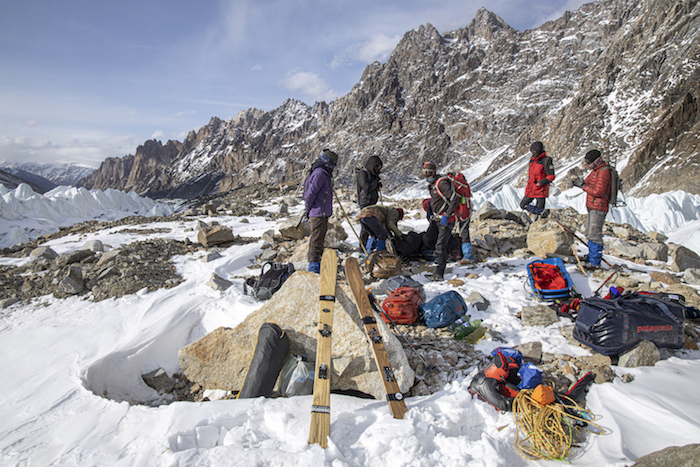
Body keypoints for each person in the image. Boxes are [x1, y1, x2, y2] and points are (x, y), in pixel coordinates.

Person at [571, 149, 612, 268]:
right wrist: (578, 183)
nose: (587, 165)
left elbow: (598, 191)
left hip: (599, 206)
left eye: (589, 162)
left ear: (595, 161)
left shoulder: (603, 172)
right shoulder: (596, 171)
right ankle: (591, 256)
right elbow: (587, 182)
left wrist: (583, 186)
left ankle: (594, 262)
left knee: (594, 233)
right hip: (593, 206)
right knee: (589, 231)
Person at [422, 161, 461, 281]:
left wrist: (447, 215)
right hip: (436, 218)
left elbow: (455, 199)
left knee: (440, 245)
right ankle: (441, 260)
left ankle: (439, 273)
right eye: (425, 173)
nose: (427, 176)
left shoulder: (441, 183)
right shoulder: (432, 185)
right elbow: (434, 199)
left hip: (446, 219)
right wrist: (429, 210)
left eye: (429, 173)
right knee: (428, 239)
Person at [303, 148, 338, 273]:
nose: (334, 165)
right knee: (316, 240)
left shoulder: (324, 173)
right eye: (333, 162)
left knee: (320, 238)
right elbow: (310, 194)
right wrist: (307, 210)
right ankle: (313, 268)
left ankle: (318, 263)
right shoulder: (320, 173)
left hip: (322, 212)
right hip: (318, 213)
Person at [520, 141, 555, 219]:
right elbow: (530, 178)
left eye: (534, 152)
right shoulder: (532, 161)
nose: (532, 154)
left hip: (541, 190)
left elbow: (551, 176)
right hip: (532, 189)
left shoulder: (546, 160)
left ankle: (538, 221)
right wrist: (527, 191)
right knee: (523, 205)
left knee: (539, 211)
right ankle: (542, 212)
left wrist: (541, 183)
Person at [356, 155, 384, 248]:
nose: (377, 169)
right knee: (365, 226)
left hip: (371, 203)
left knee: (373, 225)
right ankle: (362, 247)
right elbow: (366, 187)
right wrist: (376, 183)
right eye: (376, 166)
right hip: (365, 203)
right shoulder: (363, 173)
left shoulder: (372, 175)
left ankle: (371, 245)